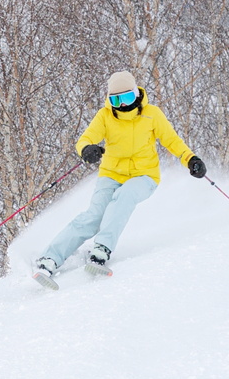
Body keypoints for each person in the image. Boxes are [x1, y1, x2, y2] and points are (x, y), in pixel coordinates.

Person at [33, 71, 205, 287]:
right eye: (116, 100)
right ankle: (49, 259)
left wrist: (191, 159)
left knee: (124, 197)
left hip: (144, 175)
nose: (122, 105)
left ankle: (101, 250)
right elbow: (85, 139)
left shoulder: (152, 114)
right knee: (93, 216)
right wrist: (87, 149)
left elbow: (172, 141)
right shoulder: (105, 116)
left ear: (137, 94)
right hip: (111, 174)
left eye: (127, 98)